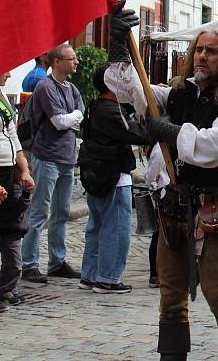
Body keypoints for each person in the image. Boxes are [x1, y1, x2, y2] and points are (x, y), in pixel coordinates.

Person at [106, 5, 218, 361]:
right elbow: (132, 90)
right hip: (174, 207)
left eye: (212, 50)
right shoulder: (178, 94)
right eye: (199, 49)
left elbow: (212, 147)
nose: (203, 56)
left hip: (213, 209)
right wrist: (119, 49)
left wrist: (169, 131)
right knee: (171, 297)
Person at [78, 64, 149, 294]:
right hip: (112, 175)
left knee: (97, 227)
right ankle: (107, 278)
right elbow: (137, 133)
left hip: (99, 174)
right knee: (115, 229)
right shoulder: (110, 109)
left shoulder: (98, 106)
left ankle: (90, 275)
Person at [21, 43, 84, 283]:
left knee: (62, 212)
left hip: (67, 157)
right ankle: (29, 264)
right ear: (57, 62)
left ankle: (57, 261)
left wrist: (72, 118)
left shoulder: (72, 88)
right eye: (71, 58)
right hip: (47, 156)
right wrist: (72, 118)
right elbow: (59, 122)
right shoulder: (46, 87)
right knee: (39, 211)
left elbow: (80, 114)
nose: (76, 62)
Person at [0, 72, 35, 311]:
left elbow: (12, 134)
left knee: (11, 227)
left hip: (9, 168)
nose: (10, 74)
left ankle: (5, 286)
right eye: (5, 69)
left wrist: (23, 169)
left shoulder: (0, 94)